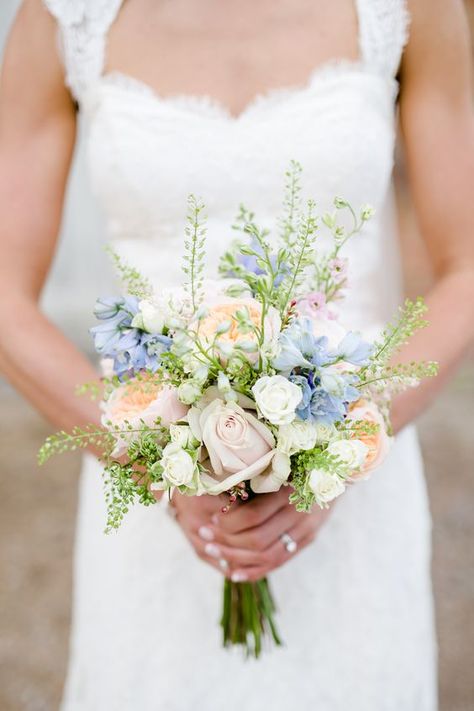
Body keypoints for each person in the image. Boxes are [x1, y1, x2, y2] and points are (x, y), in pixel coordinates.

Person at [1, 1, 473, 709]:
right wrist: (158, 460)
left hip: (356, 496)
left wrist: (340, 447)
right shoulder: (67, 13)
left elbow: (467, 263)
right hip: (152, 501)